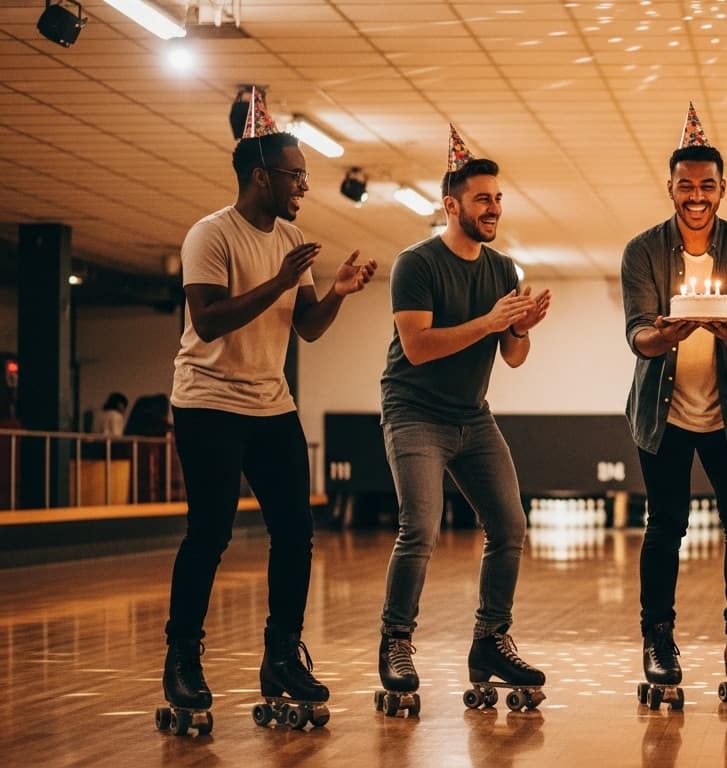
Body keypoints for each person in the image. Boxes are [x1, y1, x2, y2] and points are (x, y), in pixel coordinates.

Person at [160, 89, 377, 732]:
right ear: (262, 175)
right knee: (211, 532)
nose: (304, 186)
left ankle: (281, 656)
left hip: (269, 402)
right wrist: (281, 281)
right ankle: (182, 659)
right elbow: (208, 320)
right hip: (207, 402)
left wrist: (333, 292)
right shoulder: (211, 235)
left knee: (297, 530)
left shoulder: (292, 235)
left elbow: (306, 328)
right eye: (296, 175)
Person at [376, 125, 551, 715]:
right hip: (414, 413)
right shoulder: (415, 264)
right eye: (482, 198)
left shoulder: (504, 269)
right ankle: (396, 641)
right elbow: (419, 346)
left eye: (498, 198)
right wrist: (492, 319)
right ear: (451, 205)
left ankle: (489, 642)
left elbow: (514, 356)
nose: (494, 207)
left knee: (510, 526)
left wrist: (520, 326)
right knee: (419, 527)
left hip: (472, 417)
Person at [621, 103, 727, 707]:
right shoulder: (642, 251)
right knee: (666, 527)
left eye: (706, 185)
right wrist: (669, 332)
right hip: (659, 416)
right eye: (685, 185)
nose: (696, 195)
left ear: (721, 189)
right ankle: (657, 638)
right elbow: (637, 335)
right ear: (670, 188)